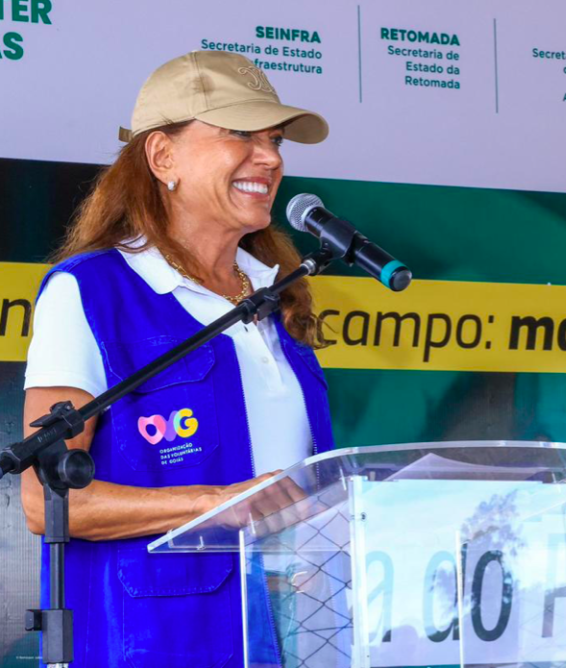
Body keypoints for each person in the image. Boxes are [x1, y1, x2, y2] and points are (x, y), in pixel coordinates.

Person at [20, 50, 335, 667]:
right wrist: (216, 503)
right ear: (162, 157)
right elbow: (44, 500)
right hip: (157, 643)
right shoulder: (90, 291)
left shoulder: (278, 295)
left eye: (273, 140)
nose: (270, 158)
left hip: (302, 632)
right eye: (240, 134)